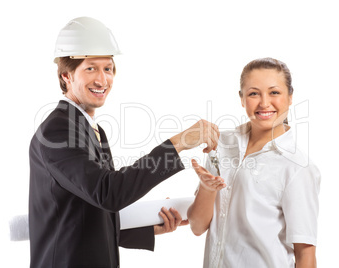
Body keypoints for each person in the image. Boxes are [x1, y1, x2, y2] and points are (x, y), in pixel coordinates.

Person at [29, 17, 220, 268]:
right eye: (90, 68)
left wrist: (145, 227)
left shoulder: (90, 129)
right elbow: (109, 193)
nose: (102, 80)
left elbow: (87, 210)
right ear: (66, 75)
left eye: (107, 68)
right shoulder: (58, 130)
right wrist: (177, 143)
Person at [187, 58, 321, 268]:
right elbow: (197, 226)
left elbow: (306, 256)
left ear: (290, 97)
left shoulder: (297, 167)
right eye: (253, 93)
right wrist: (207, 188)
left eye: (274, 92)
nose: (264, 103)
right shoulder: (221, 144)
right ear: (242, 99)